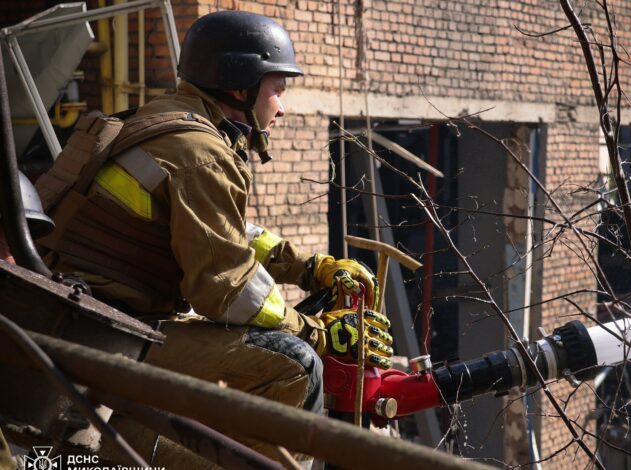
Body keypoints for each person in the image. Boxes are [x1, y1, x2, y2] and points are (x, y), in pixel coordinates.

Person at [35, 10, 393, 464]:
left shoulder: (167, 120)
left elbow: (223, 231)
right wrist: (319, 334)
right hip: (107, 340)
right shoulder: (200, 153)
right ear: (240, 86)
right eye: (277, 90)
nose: (281, 108)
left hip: (88, 323)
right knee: (295, 363)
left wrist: (307, 268)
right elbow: (227, 291)